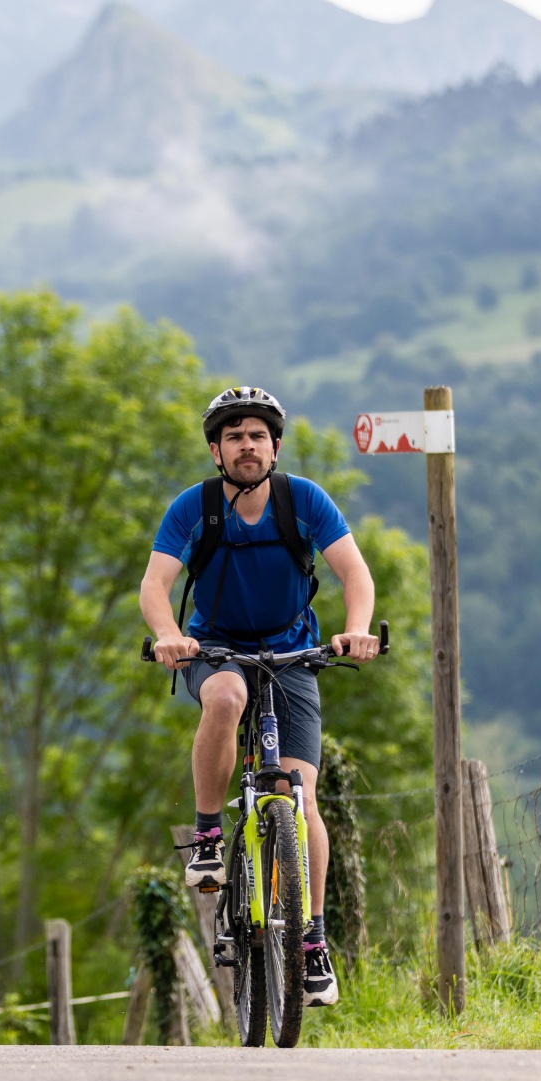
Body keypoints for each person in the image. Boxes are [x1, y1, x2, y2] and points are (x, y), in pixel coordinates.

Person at [138, 386, 379, 1008]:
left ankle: (312, 941)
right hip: (214, 648)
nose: (248, 445)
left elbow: (355, 574)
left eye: (258, 435)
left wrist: (355, 630)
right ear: (217, 450)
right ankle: (210, 835)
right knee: (222, 699)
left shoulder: (304, 501)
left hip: (292, 653)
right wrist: (168, 635)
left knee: (299, 799)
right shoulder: (195, 509)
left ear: (274, 446)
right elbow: (156, 583)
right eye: (235, 436)